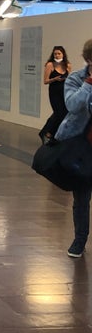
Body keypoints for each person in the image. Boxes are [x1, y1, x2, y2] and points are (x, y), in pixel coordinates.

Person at [54, 39, 92, 258]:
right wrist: (89, 82)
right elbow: (73, 105)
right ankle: (80, 240)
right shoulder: (76, 79)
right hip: (82, 148)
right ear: (88, 60)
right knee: (82, 198)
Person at [39, 45, 71, 144]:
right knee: (58, 113)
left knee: (64, 113)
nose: (57, 55)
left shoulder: (67, 65)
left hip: (64, 91)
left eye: (59, 53)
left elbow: (69, 78)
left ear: (63, 54)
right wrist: (55, 79)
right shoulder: (50, 65)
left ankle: (49, 133)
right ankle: (47, 133)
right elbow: (45, 81)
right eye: (55, 54)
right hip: (54, 91)